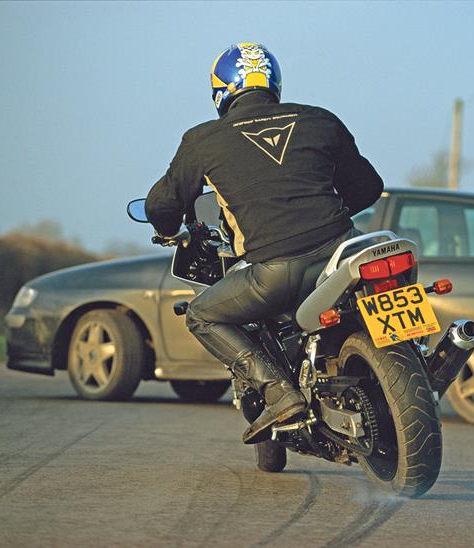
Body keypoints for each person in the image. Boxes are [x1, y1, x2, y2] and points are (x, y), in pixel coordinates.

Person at [144, 42, 383, 444]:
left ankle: (278, 393)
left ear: (221, 90)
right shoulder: (320, 120)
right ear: (273, 82)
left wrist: (170, 229)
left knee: (202, 314)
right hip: (345, 251)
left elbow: (161, 205)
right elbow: (368, 187)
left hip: (276, 269)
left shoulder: (203, 140)